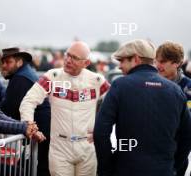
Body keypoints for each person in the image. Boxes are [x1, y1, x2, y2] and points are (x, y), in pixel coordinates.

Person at [94, 39, 191, 176]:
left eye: (122, 61)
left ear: (136, 59)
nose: (120, 66)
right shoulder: (175, 90)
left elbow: (100, 132)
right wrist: (173, 166)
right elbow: (187, 135)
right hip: (164, 170)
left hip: (126, 169)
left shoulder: (120, 86)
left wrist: (106, 169)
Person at [20, 41, 110, 176]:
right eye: (67, 55)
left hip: (87, 147)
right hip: (60, 148)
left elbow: (116, 106)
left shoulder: (97, 80)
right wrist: (30, 127)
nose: (68, 60)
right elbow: (28, 102)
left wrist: (103, 131)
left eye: (74, 58)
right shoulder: (52, 76)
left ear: (86, 63)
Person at [0, 47, 51, 176]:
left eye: (8, 62)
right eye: (3, 62)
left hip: (40, 131)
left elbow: (7, 108)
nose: (4, 66)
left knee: (29, 169)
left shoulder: (20, 78)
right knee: (31, 167)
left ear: (19, 62)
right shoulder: (25, 73)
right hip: (40, 129)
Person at [155, 41, 191, 175]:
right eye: (156, 61)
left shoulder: (189, 88)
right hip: (151, 154)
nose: (158, 65)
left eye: (163, 61)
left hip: (178, 155)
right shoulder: (150, 84)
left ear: (176, 63)